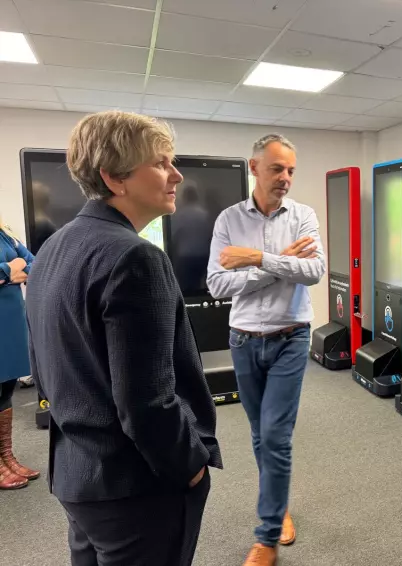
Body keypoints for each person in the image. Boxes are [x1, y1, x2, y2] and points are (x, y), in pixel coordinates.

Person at [25, 110, 223, 566]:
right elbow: (147, 401)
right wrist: (189, 465)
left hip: (77, 475)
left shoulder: (52, 247)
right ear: (115, 178)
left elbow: (47, 369)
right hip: (136, 486)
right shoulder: (135, 257)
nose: (177, 175)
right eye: (161, 163)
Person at [207, 133, 325, 566]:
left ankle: (267, 536)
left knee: (275, 437)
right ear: (254, 168)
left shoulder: (303, 216)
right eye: (277, 168)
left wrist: (256, 259)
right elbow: (218, 284)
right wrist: (279, 265)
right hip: (243, 338)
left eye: (291, 170)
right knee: (261, 435)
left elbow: (312, 271)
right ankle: (278, 502)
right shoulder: (228, 220)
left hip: (291, 336)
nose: (286, 178)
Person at [0, 218, 39, 490]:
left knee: (6, 388)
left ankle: (6, 457)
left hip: (10, 322)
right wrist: (7, 270)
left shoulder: (4, 232)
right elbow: (16, 266)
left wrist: (13, 271)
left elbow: (33, 262)